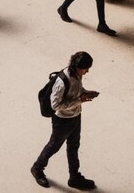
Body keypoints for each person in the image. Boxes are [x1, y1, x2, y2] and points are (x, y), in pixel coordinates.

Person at [31, 51, 99, 191]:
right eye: (86, 69)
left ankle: (74, 177)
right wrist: (79, 100)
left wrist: (84, 93)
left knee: (73, 146)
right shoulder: (61, 82)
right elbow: (55, 105)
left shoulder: (77, 74)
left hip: (75, 116)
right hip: (62, 121)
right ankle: (37, 168)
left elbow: (76, 89)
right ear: (77, 66)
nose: (87, 72)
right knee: (54, 146)